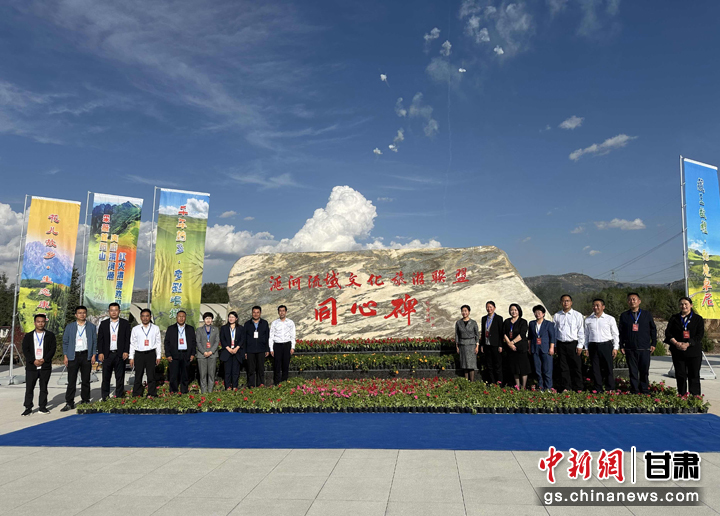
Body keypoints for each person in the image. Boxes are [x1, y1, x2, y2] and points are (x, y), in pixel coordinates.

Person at [664, 296, 704, 396]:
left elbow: (699, 335)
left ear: (691, 305)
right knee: (680, 375)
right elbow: (668, 333)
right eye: (681, 304)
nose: (684, 306)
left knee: (694, 375)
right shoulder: (674, 318)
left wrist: (688, 343)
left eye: (686, 304)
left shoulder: (698, 319)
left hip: (693, 351)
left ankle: (695, 397)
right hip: (678, 351)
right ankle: (682, 396)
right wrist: (676, 343)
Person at [619, 292, 657, 394]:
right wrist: (621, 345)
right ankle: (634, 390)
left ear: (639, 301)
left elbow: (653, 329)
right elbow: (621, 332)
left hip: (644, 348)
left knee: (644, 371)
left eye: (634, 299)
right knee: (633, 371)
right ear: (627, 302)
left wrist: (653, 343)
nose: (632, 301)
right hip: (630, 348)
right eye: (629, 300)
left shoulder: (646, 314)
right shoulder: (624, 315)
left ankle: (644, 390)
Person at [61, 306, 97, 411]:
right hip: (73, 355)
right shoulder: (70, 327)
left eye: (84, 312)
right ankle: (69, 402)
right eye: (80, 313)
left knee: (86, 380)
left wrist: (93, 354)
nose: (82, 314)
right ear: (76, 315)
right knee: (71, 380)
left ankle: (85, 400)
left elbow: (94, 341)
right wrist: (65, 356)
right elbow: (65, 342)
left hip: (86, 355)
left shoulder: (91, 327)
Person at [21, 314, 56, 416]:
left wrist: (44, 359)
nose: (40, 323)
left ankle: (42, 406)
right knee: (29, 388)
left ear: (45, 323)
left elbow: (52, 349)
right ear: (34, 323)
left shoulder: (50, 335)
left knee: (43, 387)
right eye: (38, 321)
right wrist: (33, 360)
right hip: (32, 366)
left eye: (42, 321)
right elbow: (25, 350)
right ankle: (28, 407)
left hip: (45, 366)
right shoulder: (28, 336)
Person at [583, 298, 620, 392]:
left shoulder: (610, 319)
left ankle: (610, 388)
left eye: (597, 305)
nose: (595, 307)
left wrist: (615, 347)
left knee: (608, 368)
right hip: (593, 346)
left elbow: (615, 334)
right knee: (595, 368)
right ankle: (598, 388)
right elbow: (586, 335)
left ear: (603, 307)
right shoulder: (588, 320)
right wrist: (586, 348)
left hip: (606, 345)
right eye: (594, 305)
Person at [97, 302, 131, 401]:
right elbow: (100, 340)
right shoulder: (104, 324)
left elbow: (127, 339)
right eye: (112, 310)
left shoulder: (125, 323)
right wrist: (100, 352)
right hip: (107, 354)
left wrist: (126, 351)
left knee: (120, 377)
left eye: (116, 310)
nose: (114, 312)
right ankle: (105, 397)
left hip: (120, 354)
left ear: (119, 311)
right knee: (106, 377)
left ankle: (119, 396)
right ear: (109, 311)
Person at [553, 294, 585, 392]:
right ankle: (566, 387)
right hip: (561, 344)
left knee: (576, 366)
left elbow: (581, 331)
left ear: (571, 302)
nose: (565, 303)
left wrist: (580, 345)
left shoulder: (577, 315)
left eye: (567, 301)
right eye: (563, 301)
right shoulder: (557, 316)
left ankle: (578, 387)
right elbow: (555, 332)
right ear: (560, 303)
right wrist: (555, 345)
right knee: (563, 367)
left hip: (573, 344)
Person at [129, 308, 161, 397]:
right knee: (138, 375)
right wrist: (131, 357)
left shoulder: (155, 328)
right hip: (139, 354)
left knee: (151, 375)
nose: (145, 318)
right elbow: (132, 343)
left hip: (151, 353)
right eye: (143, 316)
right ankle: (137, 394)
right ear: (140, 317)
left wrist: (158, 356)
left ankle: (152, 393)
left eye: (147, 316)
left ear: (150, 317)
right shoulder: (135, 329)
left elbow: (158, 343)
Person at [164, 310, 197, 394]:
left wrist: (193, 354)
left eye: (183, 317)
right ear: (176, 318)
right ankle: (173, 391)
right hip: (174, 354)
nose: (181, 318)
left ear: (185, 318)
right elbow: (167, 343)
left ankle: (184, 391)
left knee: (185, 374)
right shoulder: (171, 328)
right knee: (173, 375)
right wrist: (168, 354)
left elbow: (193, 342)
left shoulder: (190, 329)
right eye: (179, 316)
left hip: (186, 354)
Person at [503, 304, 530, 389]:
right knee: (514, 368)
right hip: (511, 349)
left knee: (523, 368)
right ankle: (517, 386)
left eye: (515, 310)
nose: (513, 312)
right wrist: (509, 344)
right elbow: (504, 333)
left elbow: (522, 334)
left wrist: (512, 342)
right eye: (512, 310)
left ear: (519, 311)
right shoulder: (507, 321)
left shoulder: (523, 321)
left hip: (521, 348)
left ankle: (523, 386)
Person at [528, 305, 555, 390]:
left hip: (546, 349)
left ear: (543, 314)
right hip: (535, 348)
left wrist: (551, 348)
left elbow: (552, 337)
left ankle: (548, 387)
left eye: (539, 312)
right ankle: (540, 387)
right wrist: (529, 348)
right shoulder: (532, 323)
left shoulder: (549, 324)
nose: (537, 314)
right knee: (537, 369)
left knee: (547, 369)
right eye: (536, 312)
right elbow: (529, 337)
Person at [269, 305, 296, 385]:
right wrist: (271, 349)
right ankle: (277, 383)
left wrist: (292, 347)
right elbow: (271, 337)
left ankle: (284, 383)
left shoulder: (290, 322)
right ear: (278, 312)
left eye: (283, 311)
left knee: (285, 365)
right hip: (277, 345)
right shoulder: (274, 323)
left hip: (287, 345)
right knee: (277, 365)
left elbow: (293, 335)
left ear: (286, 312)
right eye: (280, 311)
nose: (282, 312)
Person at [244, 306, 270, 387]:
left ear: (260, 313)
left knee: (260, 368)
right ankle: (251, 384)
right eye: (254, 312)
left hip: (261, 349)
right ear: (252, 313)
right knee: (250, 369)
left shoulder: (264, 323)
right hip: (250, 349)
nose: (255, 314)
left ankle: (260, 384)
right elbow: (244, 338)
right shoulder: (247, 324)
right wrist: (245, 351)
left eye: (257, 312)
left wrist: (267, 349)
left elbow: (267, 337)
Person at [195, 312, 220, 394]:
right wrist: (204, 352)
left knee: (211, 374)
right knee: (202, 374)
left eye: (210, 318)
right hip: (202, 355)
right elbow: (198, 342)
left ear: (212, 319)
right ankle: (203, 392)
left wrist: (211, 351)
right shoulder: (199, 330)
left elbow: (217, 341)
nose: (208, 320)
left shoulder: (216, 329)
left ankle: (210, 392)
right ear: (204, 320)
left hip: (212, 355)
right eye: (206, 318)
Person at [480, 301, 504, 384]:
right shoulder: (484, 318)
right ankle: (492, 382)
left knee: (497, 365)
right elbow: (483, 333)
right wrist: (482, 344)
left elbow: (501, 333)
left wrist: (500, 345)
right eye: (487, 307)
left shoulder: (499, 318)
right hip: (487, 345)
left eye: (490, 307)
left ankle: (499, 382)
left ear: (494, 308)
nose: (489, 309)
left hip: (496, 345)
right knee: (489, 365)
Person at [219, 311, 244, 390]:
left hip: (237, 352)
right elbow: (222, 339)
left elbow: (242, 339)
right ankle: (227, 387)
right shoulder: (224, 328)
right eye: (230, 317)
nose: (231, 319)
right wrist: (228, 348)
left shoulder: (240, 328)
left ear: (236, 318)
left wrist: (237, 348)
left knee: (236, 371)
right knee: (227, 371)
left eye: (233, 317)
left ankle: (235, 387)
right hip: (227, 351)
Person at [455, 305, 480, 381]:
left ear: (469, 312)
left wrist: (477, 346)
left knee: (471, 365)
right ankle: (466, 382)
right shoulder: (458, 323)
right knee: (464, 364)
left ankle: (472, 382)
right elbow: (457, 335)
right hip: (462, 345)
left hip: (471, 345)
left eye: (465, 311)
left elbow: (477, 335)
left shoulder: (473, 322)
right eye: (463, 311)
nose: (464, 312)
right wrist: (457, 346)